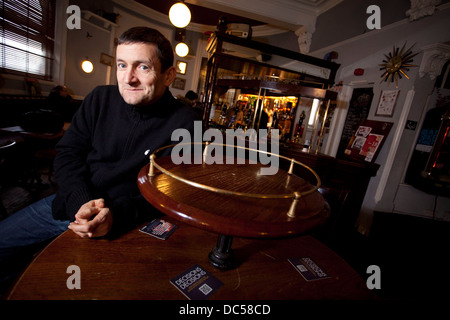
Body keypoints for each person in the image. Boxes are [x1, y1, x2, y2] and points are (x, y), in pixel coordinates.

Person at [0, 27, 200, 289]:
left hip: (127, 224)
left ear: (168, 75)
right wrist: (81, 203)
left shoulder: (188, 123)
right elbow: (68, 154)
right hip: (69, 205)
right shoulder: (99, 98)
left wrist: (114, 216)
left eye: (142, 67)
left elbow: (171, 193)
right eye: (121, 65)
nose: (128, 78)